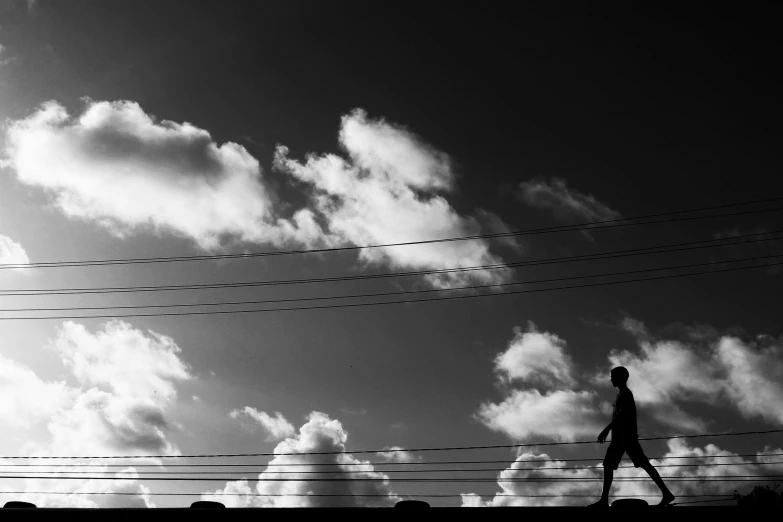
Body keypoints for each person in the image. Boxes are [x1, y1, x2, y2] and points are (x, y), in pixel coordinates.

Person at [588, 366, 675, 507]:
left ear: (622, 378)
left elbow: (623, 415)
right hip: (625, 438)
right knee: (639, 464)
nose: (611, 379)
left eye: (613, 376)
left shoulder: (626, 394)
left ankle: (604, 500)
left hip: (624, 438)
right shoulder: (621, 394)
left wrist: (607, 429)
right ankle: (667, 493)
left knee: (610, 465)